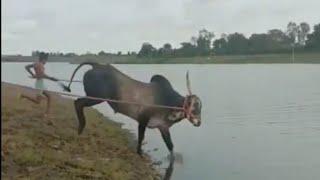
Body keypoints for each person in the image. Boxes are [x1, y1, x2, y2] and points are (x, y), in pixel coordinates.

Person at [19, 52, 58, 117]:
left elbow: (26, 67)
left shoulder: (36, 64)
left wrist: (33, 74)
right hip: (39, 84)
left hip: (40, 82)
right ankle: (23, 95)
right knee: (37, 102)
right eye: (46, 60)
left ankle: (47, 113)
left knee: (49, 96)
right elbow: (42, 75)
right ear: (43, 59)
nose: (46, 62)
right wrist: (51, 78)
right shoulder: (41, 65)